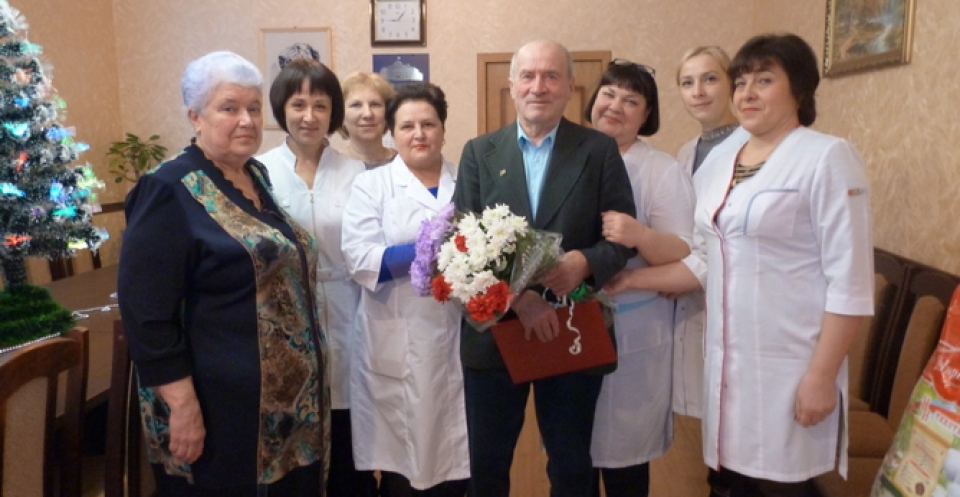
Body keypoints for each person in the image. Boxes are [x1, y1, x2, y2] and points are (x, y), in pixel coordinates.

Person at [605, 33, 874, 496]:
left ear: (800, 88)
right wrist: (629, 279)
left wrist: (821, 375)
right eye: (742, 81)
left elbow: (849, 282)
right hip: (727, 361)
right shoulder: (720, 162)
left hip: (791, 361)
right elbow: (705, 258)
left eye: (764, 81)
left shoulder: (826, 157)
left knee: (784, 484)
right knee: (735, 481)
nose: (747, 93)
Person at [118, 51, 328, 496]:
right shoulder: (168, 190)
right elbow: (147, 315)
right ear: (195, 116)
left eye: (253, 108)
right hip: (221, 414)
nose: (246, 120)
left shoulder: (255, 175)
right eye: (229, 108)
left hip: (285, 415)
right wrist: (182, 406)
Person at [453, 39, 636, 497]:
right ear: (512, 85)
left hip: (571, 328)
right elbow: (463, 245)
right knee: (487, 468)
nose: (539, 87)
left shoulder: (599, 151)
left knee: (571, 467)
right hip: (495, 333)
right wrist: (520, 299)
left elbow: (622, 240)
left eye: (551, 76)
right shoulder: (479, 153)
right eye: (529, 76)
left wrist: (585, 261)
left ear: (570, 87)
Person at [341, 82, 469, 496]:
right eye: (407, 126)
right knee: (404, 471)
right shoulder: (371, 186)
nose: (419, 134)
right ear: (392, 133)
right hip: (398, 339)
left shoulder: (467, 181)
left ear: (443, 129)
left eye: (429, 124)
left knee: (459, 464)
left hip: (461, 338)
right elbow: (361, 259)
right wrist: (430, 249)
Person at [256, 59, 376, 497]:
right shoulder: (259, 172)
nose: (309, 116)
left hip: (348, 308)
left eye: (321, 105)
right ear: (281, 108)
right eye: (298, 104)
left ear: (333, 112)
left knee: (348, 432)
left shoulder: (356, 173)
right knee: (293, 437)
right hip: (284, 318)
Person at [584, 60, 695, 497]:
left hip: (633, 327)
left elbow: (684, 252)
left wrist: (641, 236)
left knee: (625, 463)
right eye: (609, 94)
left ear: (646, 115)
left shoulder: (661, 170)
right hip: (573, 326)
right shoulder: (568, 155)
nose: (615, 106)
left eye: (631, 101)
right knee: (571, 454)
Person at [674, 45, 744, 497]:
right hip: (697, 298)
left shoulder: (749, 147)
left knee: (737, 429)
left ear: (731, 81)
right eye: (687, 82)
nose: (698, 91)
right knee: (716, 426)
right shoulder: (686, 152)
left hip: (735, 302)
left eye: (710, 78)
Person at [338, 71, 397, 169]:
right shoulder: (331, 167)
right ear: (340, 114)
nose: (367, 114)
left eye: (375, 104)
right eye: (356, 105)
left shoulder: (405, 164)